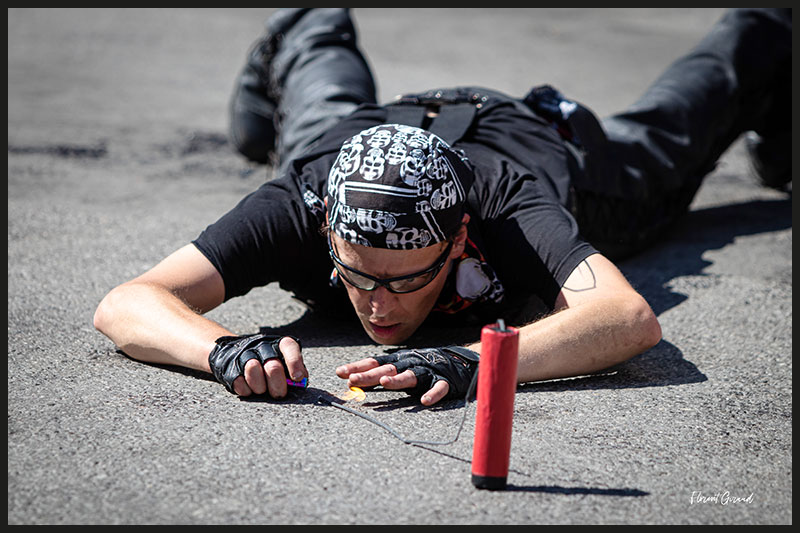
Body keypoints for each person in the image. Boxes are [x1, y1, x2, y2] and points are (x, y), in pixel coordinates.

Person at [93, 8, 791, 406]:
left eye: (405, 279)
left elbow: (627, 319)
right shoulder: (303, 201)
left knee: (669, 130)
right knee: (319, 111)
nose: (378, 306)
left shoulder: (503, 204)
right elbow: (126, 302)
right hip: (364, 130)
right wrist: (219, 349)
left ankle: (770, 29)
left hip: (527, 140)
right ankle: (307, 23)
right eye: (358, 274)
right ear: (328, 229)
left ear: (459, 239)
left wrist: (470, 362)